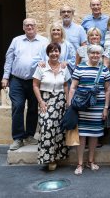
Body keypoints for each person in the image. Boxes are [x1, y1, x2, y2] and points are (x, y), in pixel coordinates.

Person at [2, 18, 49, 150]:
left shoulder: (44, 41)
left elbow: (48, 58)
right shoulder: (16, 41)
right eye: (27, 25)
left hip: (35, 81)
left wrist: (44, 65)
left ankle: (29, 135)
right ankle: (18, 138)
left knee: (33, 108)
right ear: (23, 27)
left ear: (36, 27)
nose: (29, 27)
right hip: (17, 79)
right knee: (18, 106)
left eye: (32, 25)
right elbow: (9, 59)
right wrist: (5, 77)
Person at [69, 45, 110, 175]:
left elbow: (108, 89)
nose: (95, 55)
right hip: (81, 107)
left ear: (101, 55)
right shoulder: (80, 67)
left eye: (98, 53)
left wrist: (105, 108)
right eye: (92, 53)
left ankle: (91, 161)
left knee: (94, 136)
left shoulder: (104, 69)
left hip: (97, 107)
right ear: (88, 54)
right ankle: (80, 163)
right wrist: (70, 105)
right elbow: (73, 87)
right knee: (81, 135)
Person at [32, 43, 70, 171]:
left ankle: (57, 156)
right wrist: (41, 101)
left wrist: (67, 101)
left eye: (56, 51)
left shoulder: (64, 67)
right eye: (51, 51)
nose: (54, 54)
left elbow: (66, 85)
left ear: (60, 53)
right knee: (47, 127)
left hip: (60, 100)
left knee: (59, 129)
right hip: (46, 100)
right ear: (48, 53)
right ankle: (49, 159)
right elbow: (35, 85)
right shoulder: (41, 67)